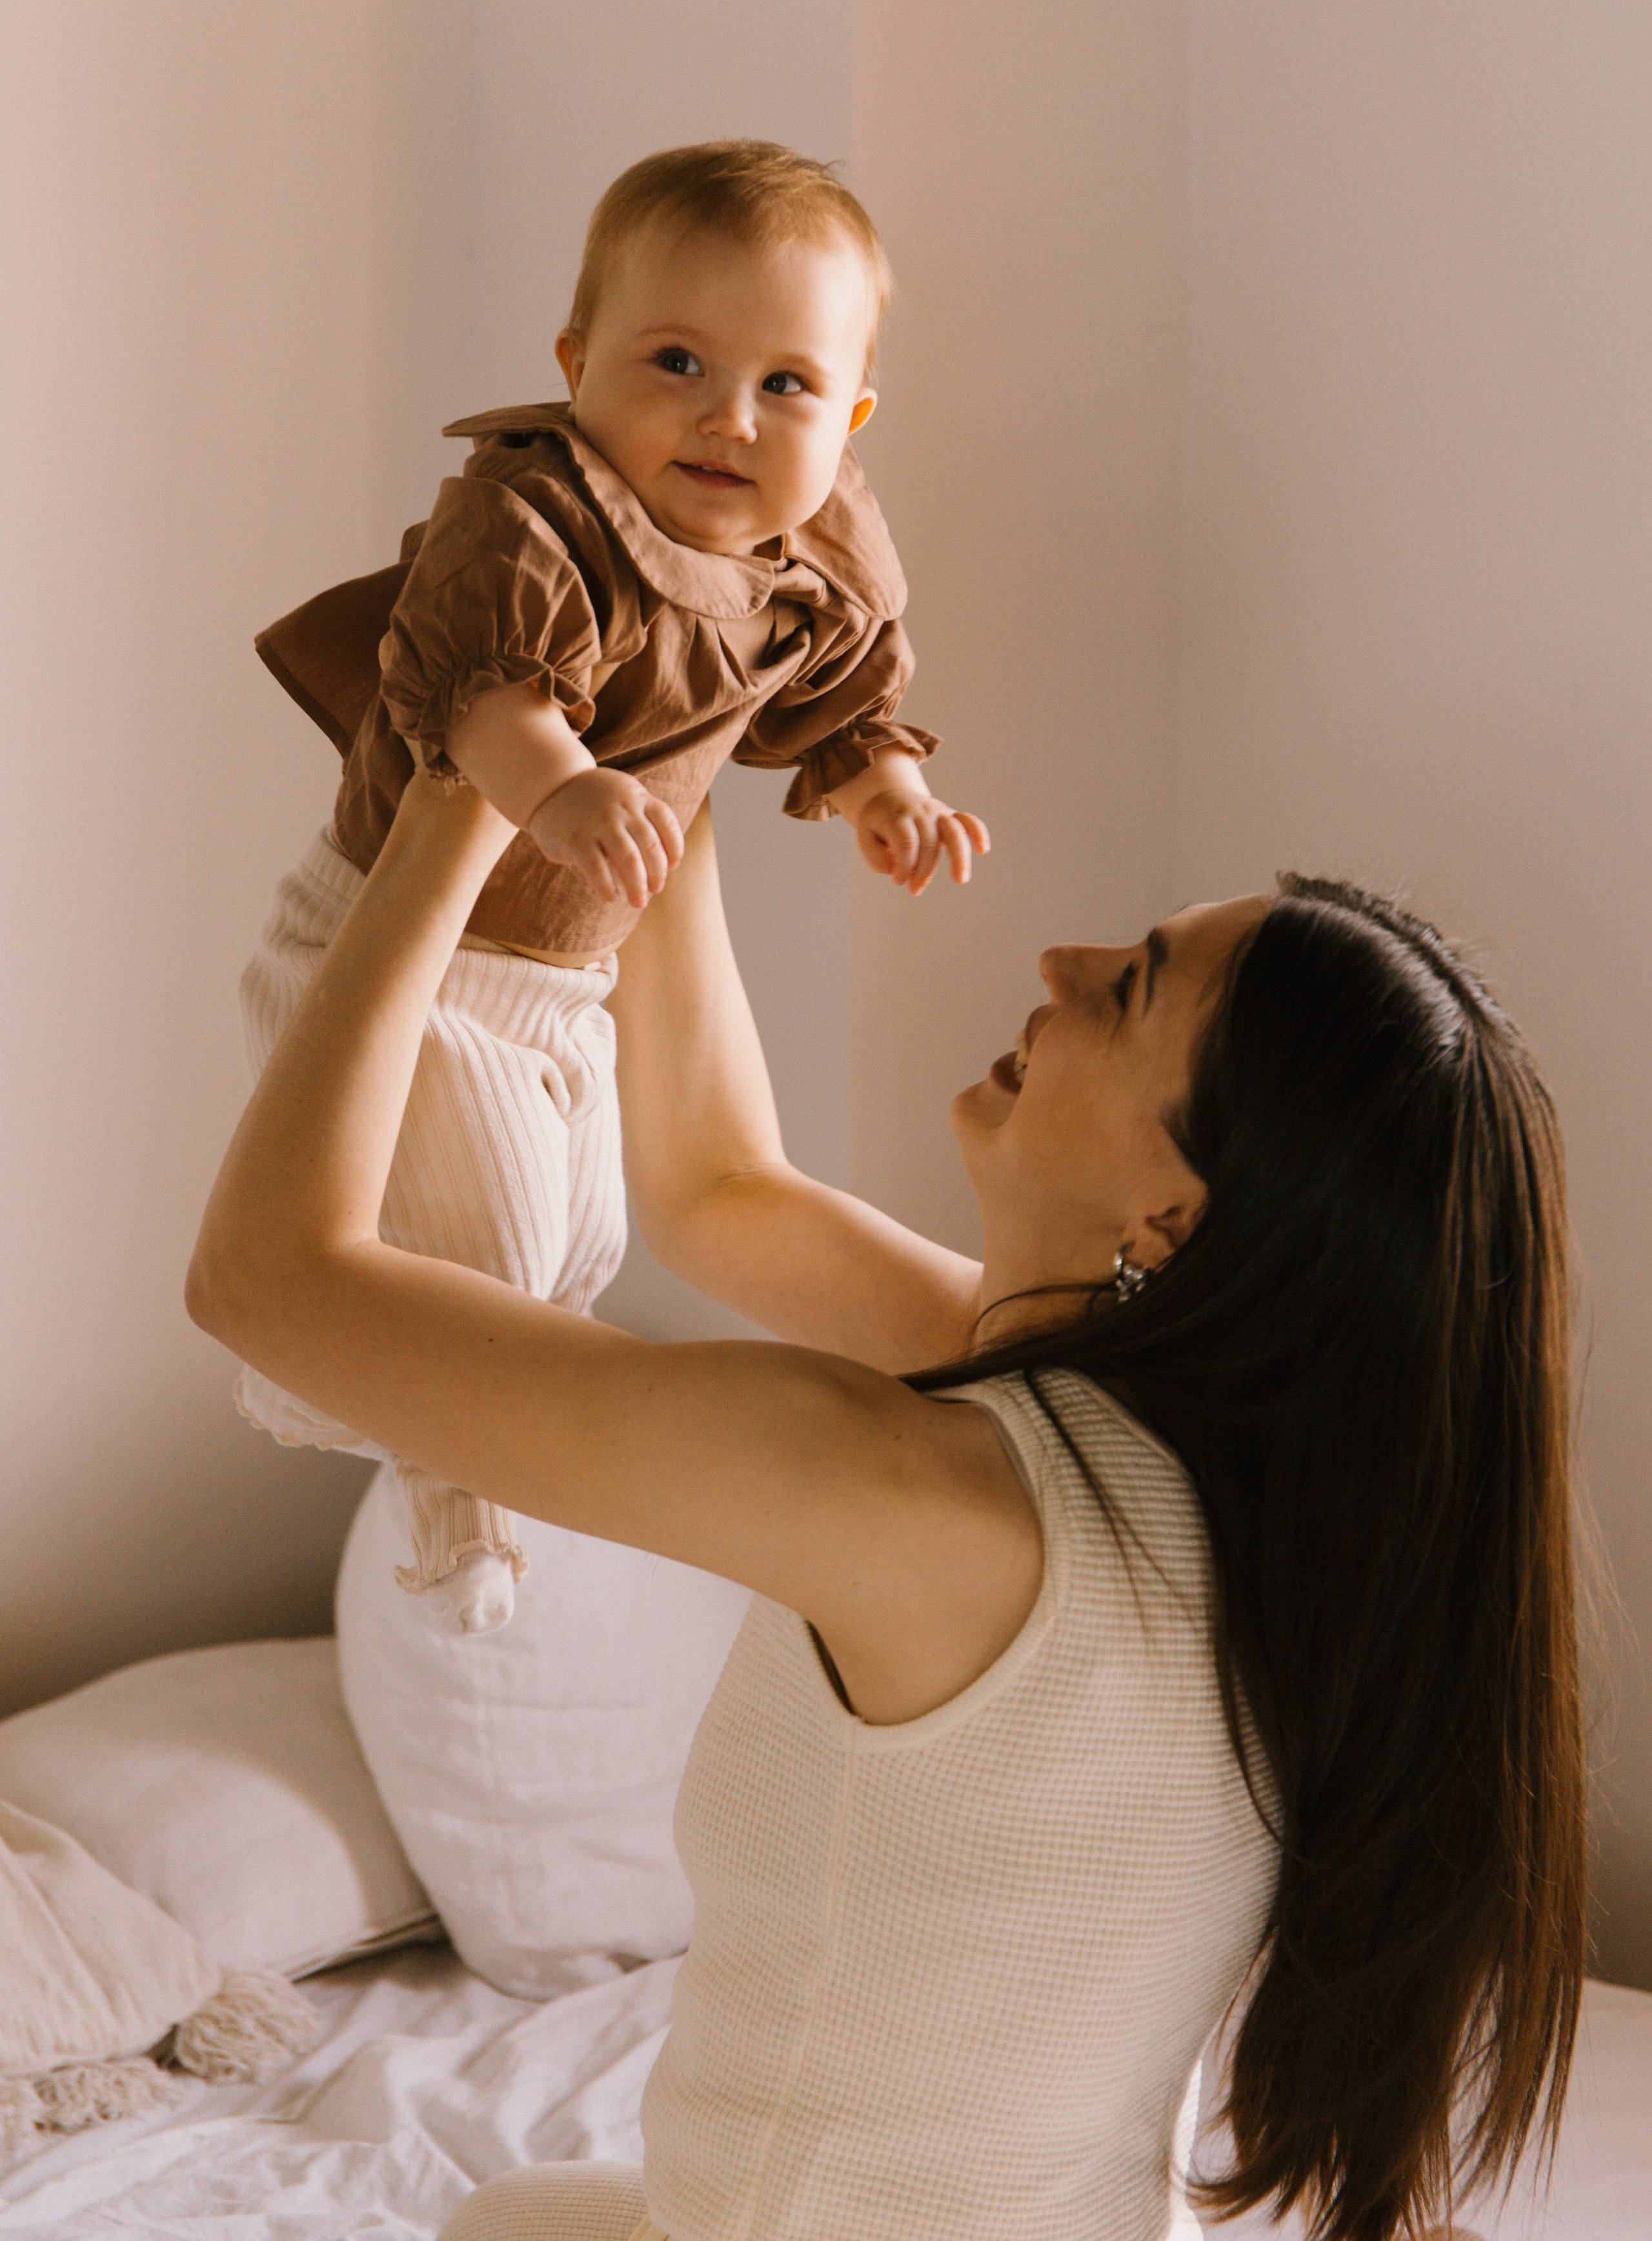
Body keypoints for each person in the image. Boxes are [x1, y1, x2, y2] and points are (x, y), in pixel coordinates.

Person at [187, 774, 1586, 2241]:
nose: (1056, 965)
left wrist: (459, 797)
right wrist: (664, 749)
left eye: (1126, 992)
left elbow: (268, 1282)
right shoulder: (1232, 1479)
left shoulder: (920, 1495)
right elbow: (719, 1187)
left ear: (1170, 1219)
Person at [234, 139, 987, 1633]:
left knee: (571, 1243)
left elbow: (836, 708)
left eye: (787, 386)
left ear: (850, 416)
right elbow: (482, 696)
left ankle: (472, 1478)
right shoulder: (535, 516)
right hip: (404, 941)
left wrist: (885, 791)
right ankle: (460, 1509)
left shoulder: (814, 553)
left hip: (567, 959)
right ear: (575, 363)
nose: (728, 416)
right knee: (479, 1247)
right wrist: (563, 783)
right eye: (675, 361)